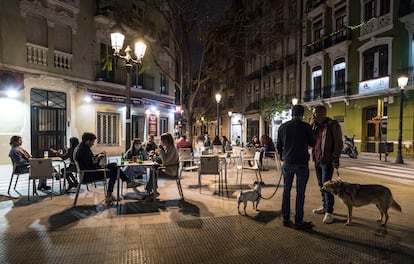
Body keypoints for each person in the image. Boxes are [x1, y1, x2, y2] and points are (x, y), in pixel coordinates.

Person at [277, 104, 315, 230]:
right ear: (302, 115)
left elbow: (278, 146)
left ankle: (286, 218)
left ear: (291, 114)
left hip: (287, 162)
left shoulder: (283, 127)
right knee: (300, 193)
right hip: (301, 163)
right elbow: (313, 143)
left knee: (286, 190)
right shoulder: (306, 127)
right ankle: (298, 220)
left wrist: (284, 157)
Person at [74, 132, 140, 204]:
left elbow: (89, 162)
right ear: (87, 141)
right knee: (114, 171)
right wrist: (98, 159)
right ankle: (119, 187)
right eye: (92, 141)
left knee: (114, 165)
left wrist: (97, 157)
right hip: (89, 174)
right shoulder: (84, 150)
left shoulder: (81, 148)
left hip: (88, 172)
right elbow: (91, 166)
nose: (93, 144)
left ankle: (125, 183)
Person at [310, 105, 343, 224]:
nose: (313, 115)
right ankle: (324, 206)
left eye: (315, 113)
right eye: (313, 113)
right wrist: (311, 123)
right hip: (317, 158)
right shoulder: (315, 125)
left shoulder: (333, 125)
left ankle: (330, 211)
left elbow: (339, 142)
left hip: (327, 160)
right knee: (321, 185)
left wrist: (336, 157)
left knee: (327, 186)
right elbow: (310, 139)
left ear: (322, 113)